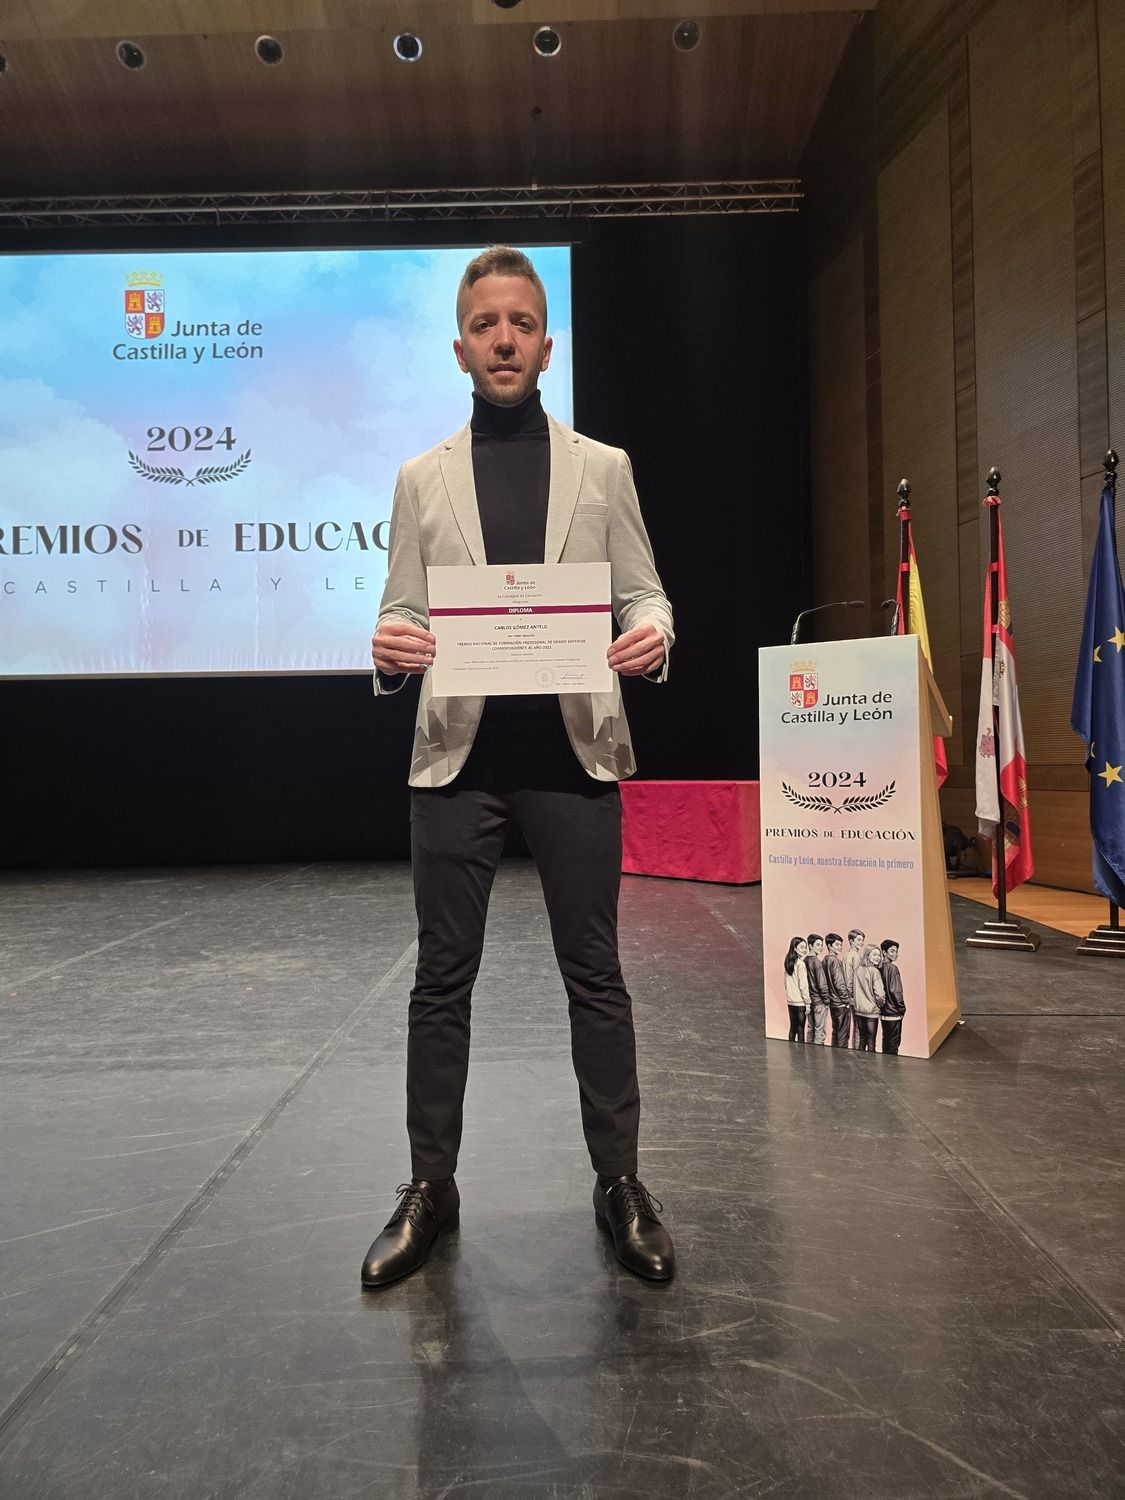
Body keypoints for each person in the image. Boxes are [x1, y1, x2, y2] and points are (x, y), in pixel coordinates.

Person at [360, 246, 676, 1290]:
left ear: (548, 344)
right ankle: (431, 1187)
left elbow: (645, 594)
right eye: (486, 324)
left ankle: (619, 1182)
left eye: (522, 323)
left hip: (573, 759)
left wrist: (652, 636)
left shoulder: (603, 468)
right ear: (460, 348)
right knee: (440, 981)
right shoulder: (421, 478)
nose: (504, 339)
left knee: (596, 975)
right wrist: (390, 648)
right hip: (458, 762)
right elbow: (402, 611)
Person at [852, 945, 885, 1052]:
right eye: (874, 954)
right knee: (871, 1041)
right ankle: (871, 1062)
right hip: (871, 1012)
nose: (878, 957)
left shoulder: (858, 969)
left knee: (862, 1039)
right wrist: (880, 1004)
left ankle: (860, 1061)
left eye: (879, 955)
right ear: (867, 956)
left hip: (859, 1011)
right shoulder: (874, 971)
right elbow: (880, 994)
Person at [824, 932, 852, 1047]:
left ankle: (835, 1055)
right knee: (843, 1035)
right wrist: (846, 1000)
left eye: (840, 945)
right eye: (837, 945)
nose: (840, 947)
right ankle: (841, 1056)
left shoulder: (825, 960)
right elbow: (839, 983)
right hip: (840, 1003)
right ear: (829, 946)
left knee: (836, 1031)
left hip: (832, 1002)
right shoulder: (835, 961)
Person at [879, 940, 905, 1055]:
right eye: (892, 951)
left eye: (896, 951)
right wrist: (902, 1008)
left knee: (886, 1041)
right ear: (884, 952)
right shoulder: (893, 969)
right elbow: (895, 991)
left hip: (883, 1012)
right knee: (894, 1044)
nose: (895, 954)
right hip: (893, 1013)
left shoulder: (878, 967)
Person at [783, 936, 809, 1042]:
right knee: (800, 1030)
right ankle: (801, 1051)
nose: (804, 950)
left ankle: (791, 1050)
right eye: (802, 947)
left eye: (805, 947)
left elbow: (785, 982)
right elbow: (803, 986)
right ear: (794, 948)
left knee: (792, 1029)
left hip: (790, 1001)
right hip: (800, 1002)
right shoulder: (800, 964)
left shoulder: (788, 962)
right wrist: (807, 1002)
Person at [804, 933, 829, 1044]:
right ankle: (818, 1053)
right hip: (819, 1001)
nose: (821, 947)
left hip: (809, 1001)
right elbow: (822, 984)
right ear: (810, 946)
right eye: (818, 945)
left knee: (810, 1029)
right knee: (820, 1031)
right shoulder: (817, 963)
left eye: (821, 945)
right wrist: (826, 1000)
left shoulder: (804, 961)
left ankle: (808, 1052)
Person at [844, 928, 865, 1049]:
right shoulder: (855, 956)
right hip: (854, 996)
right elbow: (855, 978)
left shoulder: (846, 954)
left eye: (862, 940)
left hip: (850, 995)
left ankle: (855, 1050)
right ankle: (858, 1051)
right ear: (851, 941)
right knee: (859, 1027)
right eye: (859, 940)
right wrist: (853, 995)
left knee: (856, 1026)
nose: (861, 942)